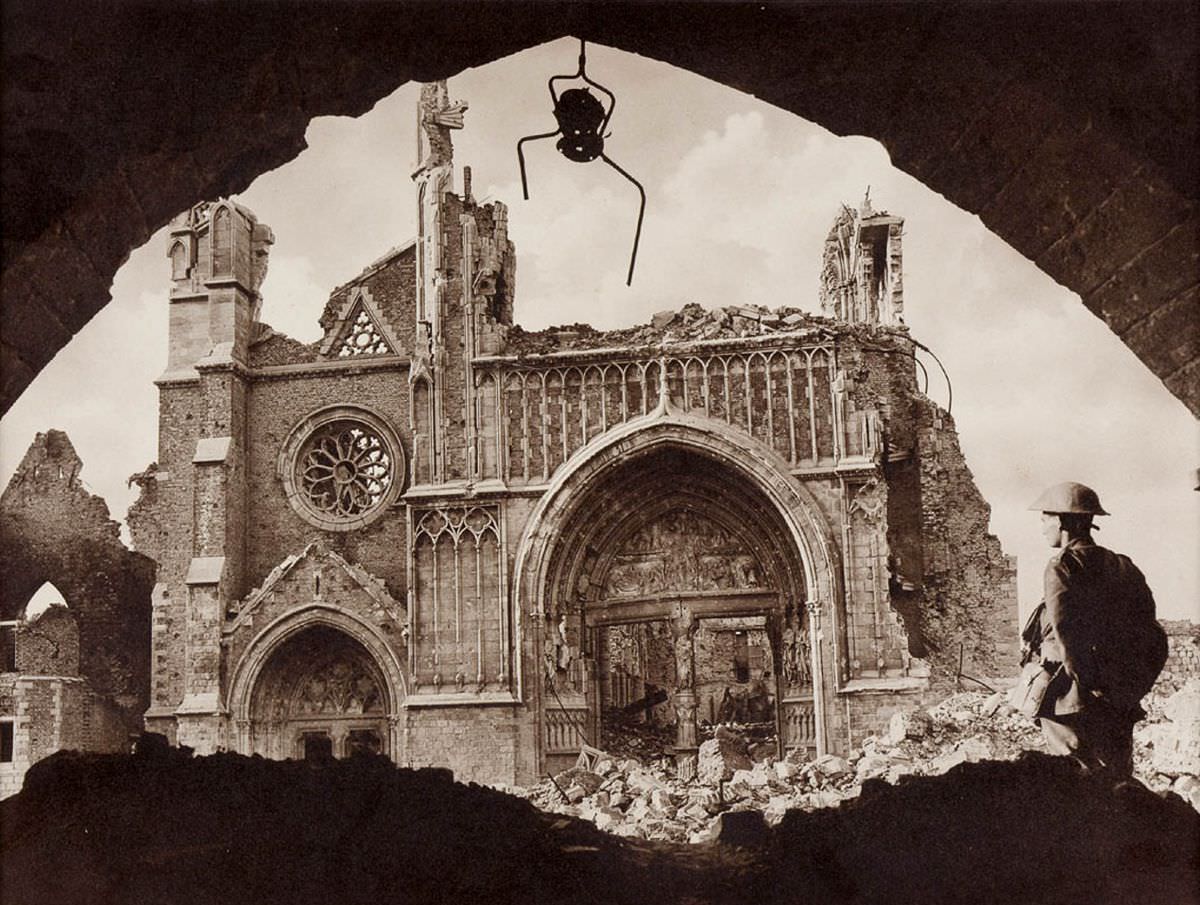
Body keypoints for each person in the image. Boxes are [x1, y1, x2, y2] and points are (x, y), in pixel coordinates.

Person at [1023, 481, 1165, 777]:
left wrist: (1091, 685)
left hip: (1072, 701)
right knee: (1119, 782)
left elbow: (1067, 636)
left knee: (1082, 788)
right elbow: (1154, 638)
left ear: (1062, 521)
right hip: (1118, 699)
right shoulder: (1123, 566)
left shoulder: (1062, 565)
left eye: (1045, 518)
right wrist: (1129, 688)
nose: (1042, 527)